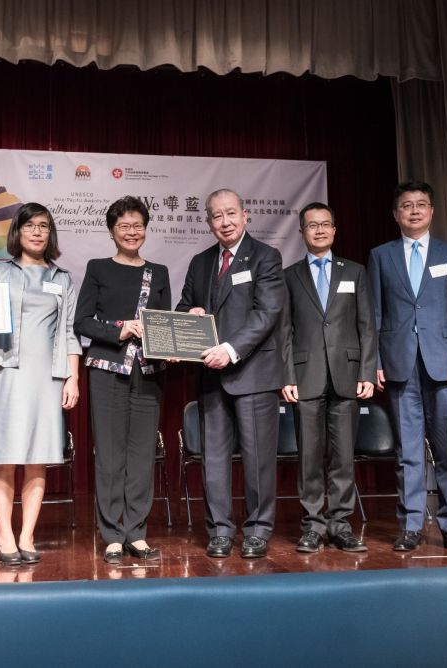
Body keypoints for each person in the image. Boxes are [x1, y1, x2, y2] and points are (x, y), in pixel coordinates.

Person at [367, 181, 447, 553]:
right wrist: (377, 363)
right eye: (406, 206)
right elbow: (375, 315)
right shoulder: (381, 256)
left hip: (445, 364)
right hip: (400, 365)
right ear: (395, 214)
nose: (414, 211)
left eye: (421, 205)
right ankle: (411, 525)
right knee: (408, 452)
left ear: (431, 211)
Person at [176, 188, 285, 559]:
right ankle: (220, 529)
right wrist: (188, 316)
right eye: (216, 216)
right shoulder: (200, 261)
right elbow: (185, 304)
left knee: (257, 459)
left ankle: (257, 529)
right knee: (215, 460)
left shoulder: (266, 257)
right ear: (208, 222)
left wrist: (231, 349)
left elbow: (267, 314)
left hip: (253, 372)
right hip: (210, 375)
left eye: (231, 214)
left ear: (246, 214)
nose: (225, 222)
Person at [0, 203, 82, 566]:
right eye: (30, 225)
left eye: (44, 226)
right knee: (4, 457)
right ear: (17, 232)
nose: (37, 232)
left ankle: (27, 535)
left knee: (38, 460)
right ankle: (5, 535)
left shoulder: (62, 278)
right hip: (5, 374)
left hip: (47, 379)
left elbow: (69, 333)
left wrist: (73, 378)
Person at [74, 196, 171, 564]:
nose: (132, 232)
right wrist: (121, 330)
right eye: (124, 226)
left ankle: (137, 533)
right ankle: (112, 534)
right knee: (111, 456)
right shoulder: (98, 267)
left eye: (137, 225)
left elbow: (164, 323)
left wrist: (176, 342)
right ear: (112, 231)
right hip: (107, 370)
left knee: (142, 455)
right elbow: (82, 322)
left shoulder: (158, 271)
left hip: (148, 373)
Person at [280, 202, 377, 553]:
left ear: (335, 230)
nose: (319, 230)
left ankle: (340, 524)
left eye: (325, 225)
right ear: (302, 232)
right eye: (311, 225)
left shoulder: (355, 272)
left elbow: (367, 326)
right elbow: (284, 331)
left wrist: (367, 370)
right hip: (305, 377)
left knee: (343, 456)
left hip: (347, 375)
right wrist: (287, 374)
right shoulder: (289, 276)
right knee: (309, 456)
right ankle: (312, 525)